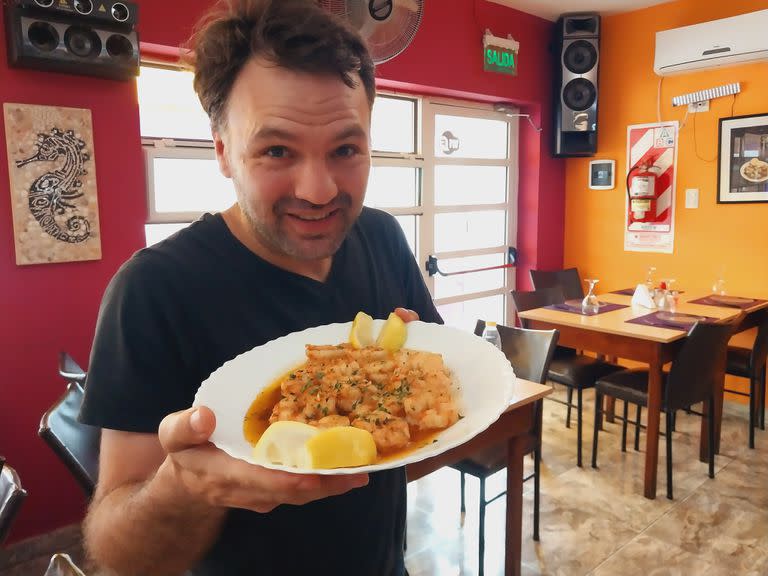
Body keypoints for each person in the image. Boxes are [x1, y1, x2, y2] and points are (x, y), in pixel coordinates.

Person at [79, 1, 441, 575]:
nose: (319, 190)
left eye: (346, 149)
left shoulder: (382, 237)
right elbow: (120, 556)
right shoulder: (152, 291)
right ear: (223, 150)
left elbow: (432, 429)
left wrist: (408, 399)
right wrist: (184, 484)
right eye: (277, 151)